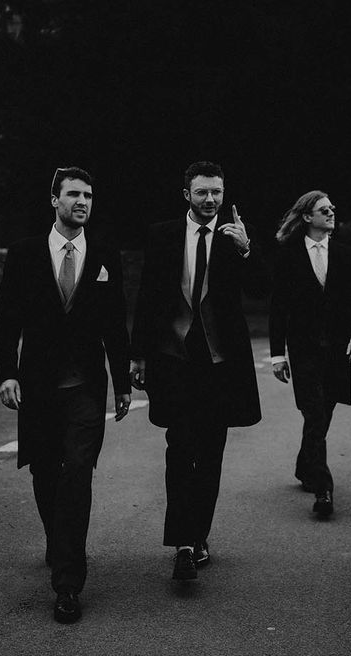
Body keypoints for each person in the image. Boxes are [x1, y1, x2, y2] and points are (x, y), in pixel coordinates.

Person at [0, 166, 131, 623]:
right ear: (54, 200)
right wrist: (7, 374)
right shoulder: (25, 254)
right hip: (38, 387)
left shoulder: (106, 255)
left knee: (78, 474)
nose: (82, 202)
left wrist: (124, 384)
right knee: (46, 473)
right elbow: (6, 321)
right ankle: (58, 541)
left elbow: (115, 325)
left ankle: (69, 583)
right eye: (73, 194)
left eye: (88, 195)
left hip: (86, 389)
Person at [130, 161, 267, 580]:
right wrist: (138, 356)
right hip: (174, 360)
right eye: (203, 192)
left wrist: (247, 249)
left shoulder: (233, 237)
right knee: (179, 449)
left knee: (210, 455)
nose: (211, 200)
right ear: (186, 194)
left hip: (220, 365)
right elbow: (148, 296)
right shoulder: (163, 235)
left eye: (217, 193)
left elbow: (262, 291)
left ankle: (198, 533)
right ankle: (184, 544)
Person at [269, 190, 351, 517]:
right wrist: (276, 354)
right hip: (303, 350)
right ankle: (324, 489)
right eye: (324, 210)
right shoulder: (288, 254)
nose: (331, 214)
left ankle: (304, 465)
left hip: (338, 351)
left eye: (332, 209)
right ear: (307, 216)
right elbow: (278, 308)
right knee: (314, 414)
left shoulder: (344, 253)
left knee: (321, 415)